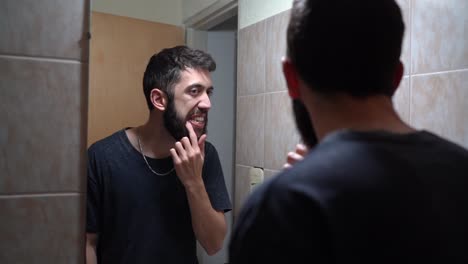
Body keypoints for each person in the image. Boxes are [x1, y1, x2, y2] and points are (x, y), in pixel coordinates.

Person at [229, 0, 468, 263]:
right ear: (396, 77)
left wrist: (310, 178)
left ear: (291, 78)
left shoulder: (281, 207)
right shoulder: (461, 169)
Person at [86, 46, 232, 264]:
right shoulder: (102, 157)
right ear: (159, 100)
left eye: (208, 92)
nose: (207, 104)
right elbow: (88, 243)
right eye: (194, 91)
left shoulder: (205, 155)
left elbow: (213, 244)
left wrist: (194, 182)